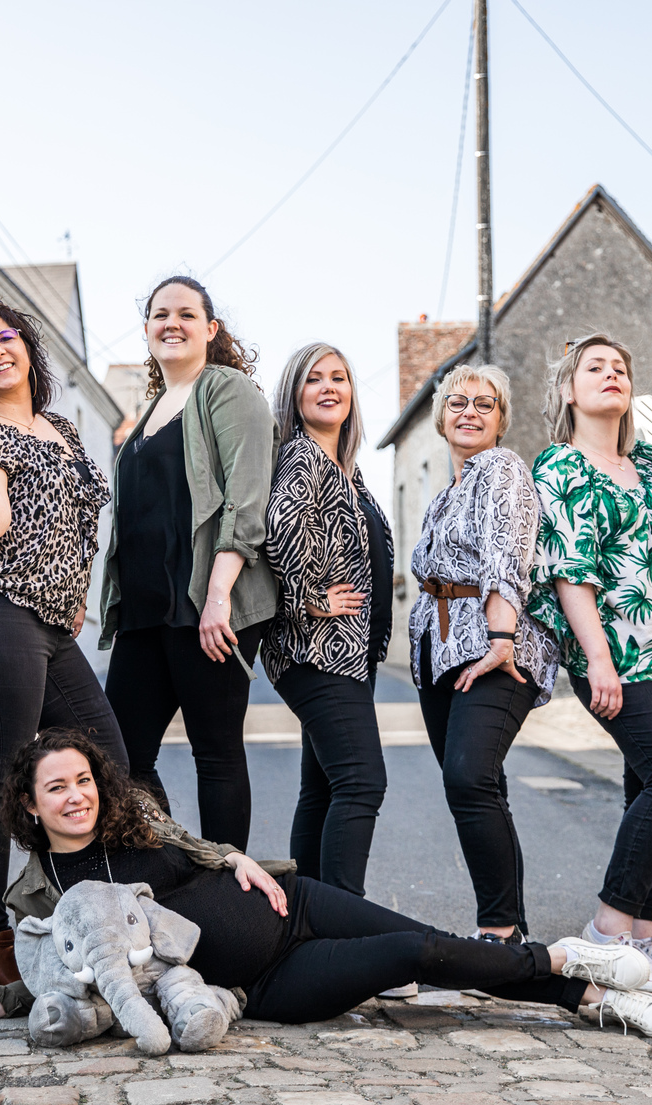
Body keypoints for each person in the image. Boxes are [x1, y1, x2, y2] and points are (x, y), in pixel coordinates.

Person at [0, 730, 652, 1039]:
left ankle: (577, 983)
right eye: (56, 787)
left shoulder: (136, 819)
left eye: (83, 780)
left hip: (292, 903)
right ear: (29, 803)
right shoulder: (40, 894)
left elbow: (204, 848)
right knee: (409, 954)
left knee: (432, 939)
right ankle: (570, 972)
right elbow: (41, 981)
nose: (76, 795)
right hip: (265, 982)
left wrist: (238, 857)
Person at [0, 300, 129, 993]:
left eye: (5, 337)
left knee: (106, 762)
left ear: (28, 348)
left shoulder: (62, 429)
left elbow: (79, 523)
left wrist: (75, 593)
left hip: (48, 621)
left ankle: (84, 913)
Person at [529, 334, 652, 995]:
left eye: (619, 367)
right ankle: (606, 932)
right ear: (568, 389)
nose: (610, 374)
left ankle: (641, 935)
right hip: (618, 656)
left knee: (646, 786)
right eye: (594, 367)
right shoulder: (561, 467)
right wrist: (598, 661)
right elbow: (569, 574)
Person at [100, 276, 277, 850]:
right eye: (160, 314)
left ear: (210, 328)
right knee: (119, 757)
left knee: (215, 751)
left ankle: (229, 883)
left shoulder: (226, 389)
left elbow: (245, 500)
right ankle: (173, 862)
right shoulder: (149, 411)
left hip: (206, 605)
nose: (171, 323)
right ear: (146, 328)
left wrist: (219, 596)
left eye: (185, 314)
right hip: (145, 613)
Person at [409, 364, 557, 944]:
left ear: (501, 420)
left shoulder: (501, 468)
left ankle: (498, 930)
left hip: (492, 645)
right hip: (441, 651)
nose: (469, 412)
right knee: (478, 785)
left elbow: (506, 553)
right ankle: (509, 932)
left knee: (469, 777)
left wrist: (501, 639)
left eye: (484, 404)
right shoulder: (446, 493)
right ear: (441, 417)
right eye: (457, 402)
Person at [262, 343, 392, 897]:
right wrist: (309, 599)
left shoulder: (345, 470)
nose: (329, 387)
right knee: (362, 782)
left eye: (339, 377)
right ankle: (344, 919)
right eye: (314, 378)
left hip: (345, 652)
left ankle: (308, 918)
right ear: (295, 394)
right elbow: (278, 525)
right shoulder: (303, 456)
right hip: (318, 648)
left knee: (322, 789)